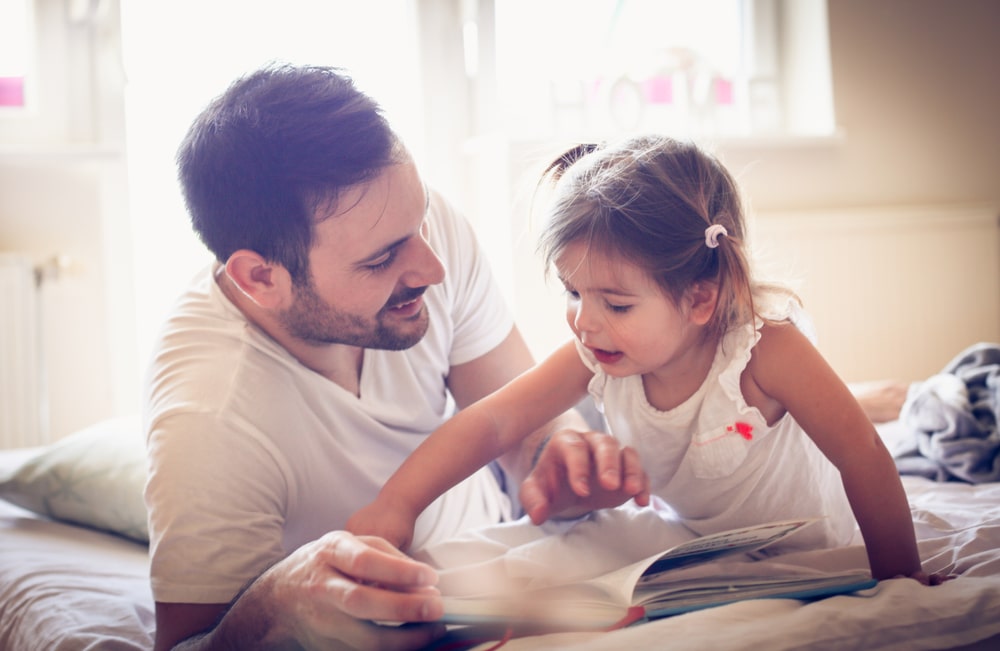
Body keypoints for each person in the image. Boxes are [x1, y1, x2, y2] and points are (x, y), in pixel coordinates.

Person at [143, 64, 649, 651]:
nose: (431, 269)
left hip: (499, 552)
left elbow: (514, 414)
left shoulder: (420, 234)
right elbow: (188, 644)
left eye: (421, 220)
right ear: (260, 278)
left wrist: (554, 454)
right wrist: (275, 603)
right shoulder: (210, 419)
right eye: (381, 260)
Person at [348, 134, 945, 585]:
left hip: (804, 546)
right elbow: (494, 420)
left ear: (699, 299)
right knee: (512, 561)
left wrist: (902, 580)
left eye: (616, 303)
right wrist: (395, 504)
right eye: (573, 292)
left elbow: (862, 452)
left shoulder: (765, 350)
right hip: (691, 537)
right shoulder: (594, 349)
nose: (585, 320)